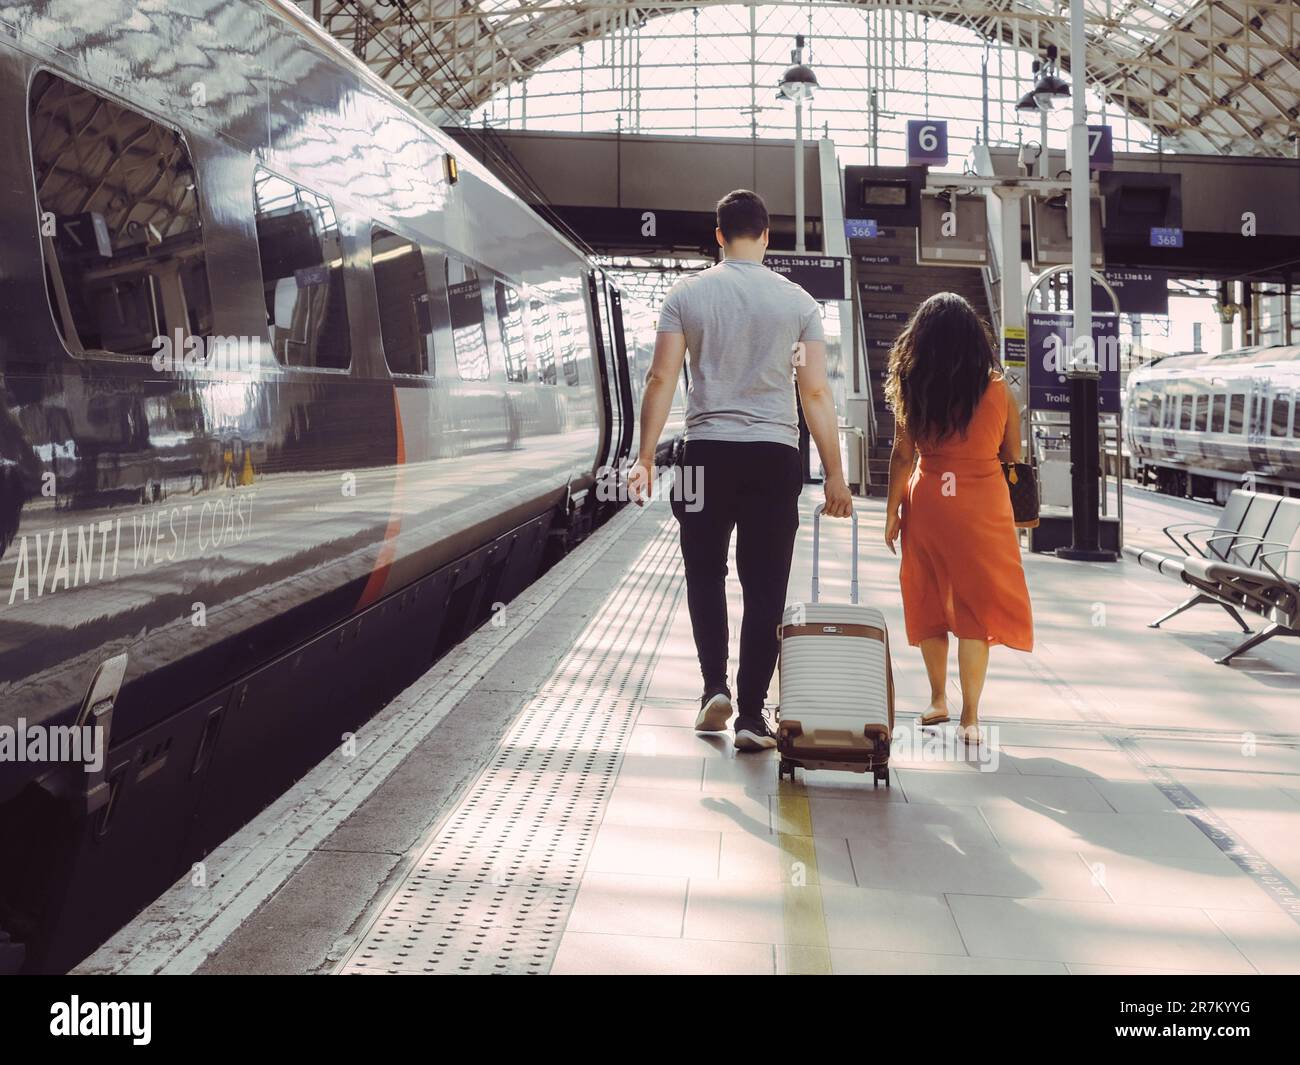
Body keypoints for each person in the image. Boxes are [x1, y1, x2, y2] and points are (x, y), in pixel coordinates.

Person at [629, 189, 852, 751]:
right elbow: (816, 392)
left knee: (706, 574)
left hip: (706, 455)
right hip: (776, 458)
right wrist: (835, 474)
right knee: (765, 585)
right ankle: (753, 715)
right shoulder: (799, 305)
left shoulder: (687, 296)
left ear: (719, 236)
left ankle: (713, 689)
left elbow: (660, 380)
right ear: (768, 236)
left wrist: (645, 457)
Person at [882, 292, 1033, 745]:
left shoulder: (913, 383)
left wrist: (892, 510)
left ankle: (936, 700)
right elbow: (1013, 456)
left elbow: (902, 454)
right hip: (982, 504)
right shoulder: (997, 389)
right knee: (973, 610)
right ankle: (970, 718)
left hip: (929, 500)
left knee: (928, 595)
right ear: (975, 339)